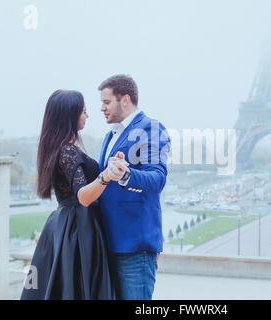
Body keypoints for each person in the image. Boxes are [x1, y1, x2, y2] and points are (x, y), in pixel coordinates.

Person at [20, 89, 128, 300]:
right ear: (70, 115)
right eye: (84, 112)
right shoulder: (67, 151)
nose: (87, 116)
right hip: (78, 228)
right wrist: (106, 175)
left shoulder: (60, 148)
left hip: (68, 225)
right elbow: (83, 197)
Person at [98, 74, 171, 300]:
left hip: (134, 248)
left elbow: (157, 178)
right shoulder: (111, 135)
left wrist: (126, 173)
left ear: (125, 100)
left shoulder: (151, 128)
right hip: (109, 243)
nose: (101, 108)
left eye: (106, 102)